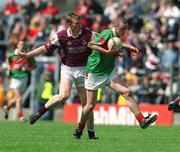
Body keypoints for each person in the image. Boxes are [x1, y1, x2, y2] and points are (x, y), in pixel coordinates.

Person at [16, 12, 98, 139]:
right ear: (69, 24)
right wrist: (28, 55)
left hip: (83, 69)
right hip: (67, 69)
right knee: (63, 95)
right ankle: (39, 113)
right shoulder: (61, 36)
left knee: (86, 104)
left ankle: (91, 134)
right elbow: (44, 48)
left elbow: (104, 41)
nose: (79, 24)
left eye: (79, 21)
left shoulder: (88, 34)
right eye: (77, 23)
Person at [73, 17, 158, 139]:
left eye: (126, 29)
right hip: (94, 72)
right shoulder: (106, 33)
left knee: (127, 92)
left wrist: (127, 47)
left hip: (108, 71)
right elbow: (91, 44)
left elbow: (114, 44)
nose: (124, 32)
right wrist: (107, 52)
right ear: (116, 27)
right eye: (122, 29)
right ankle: (79, 129)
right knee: (90, 105)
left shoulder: (116, 36)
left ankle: (142, 121)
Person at [3, 40, 36, 121]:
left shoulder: (28, 56)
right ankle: (20, 116)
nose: (22, 45)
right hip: (15, 78)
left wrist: (27, 69)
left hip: (24, 77)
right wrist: (9, 69)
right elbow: (8, 62)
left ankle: (6, 107)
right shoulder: (12, 55)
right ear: (17, 45)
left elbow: (34, 66)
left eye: (23, 44)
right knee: (19, 98)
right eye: (20, 44)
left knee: (17, 98)